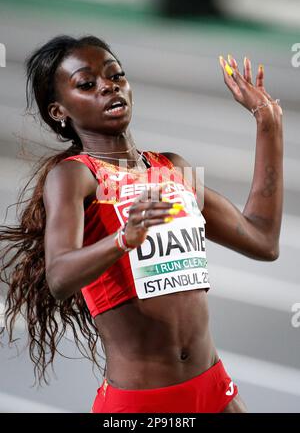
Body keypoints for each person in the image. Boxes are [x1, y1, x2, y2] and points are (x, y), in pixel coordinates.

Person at [0, 35, 283, 413]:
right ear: (59, 111)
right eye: (87, 84)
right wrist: (122, 239)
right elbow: (60, 277)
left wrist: (267, 123)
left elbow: (262, 240)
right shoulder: (75, 177)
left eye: (116, 76)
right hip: (141, 406)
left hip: (215, 390)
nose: (109, 86)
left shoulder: (175, 169)